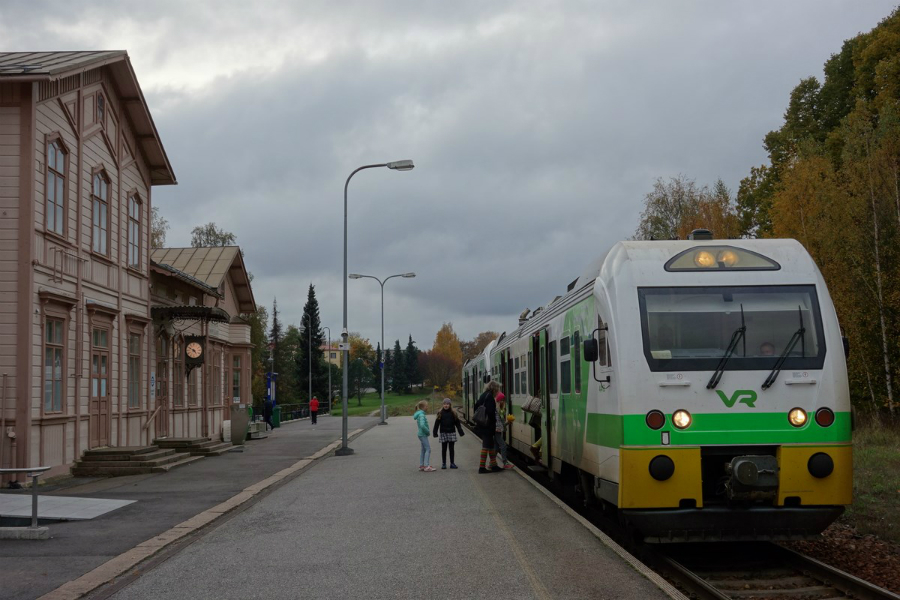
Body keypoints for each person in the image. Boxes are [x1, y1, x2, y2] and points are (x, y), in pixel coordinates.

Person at [474, 380, 502, 473]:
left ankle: (494, 465)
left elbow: (476, 406)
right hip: (487, 425)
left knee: (490, 445)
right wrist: (494, 424)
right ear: (495, 389)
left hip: (482, 424)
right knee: (486, 446)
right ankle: (481, 467)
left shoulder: (483, 395)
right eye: (498, 389)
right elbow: (490, 413)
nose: (498, 392)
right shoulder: (490, 397)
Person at [432, 398, 465, 469]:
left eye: (447, 404)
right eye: (444, 404)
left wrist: (460, 431)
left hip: (451, 432)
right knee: (444, 449)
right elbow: (436, 424)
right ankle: (444, 463)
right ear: (443, 405)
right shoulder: (440, 413)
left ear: (450, 405)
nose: (446, 405)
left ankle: (452, 463)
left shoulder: (453, 413)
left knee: (451, 449)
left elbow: (457, 423)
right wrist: (435, 432)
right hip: (443, 433)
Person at [413, 400, 435, 472]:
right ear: (423, 407)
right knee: (428, 449)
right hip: (423, 434)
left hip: (420, 434)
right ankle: (426, 466)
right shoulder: (422, 415)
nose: (427, 407)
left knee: (423, 450)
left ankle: (422, 465)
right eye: (426, 406)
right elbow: (422, 425)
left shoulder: (419, 414)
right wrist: (427, 431)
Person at [494, 393, 514, 469]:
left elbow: (501, 424)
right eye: (501, 400)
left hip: (498, 431)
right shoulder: (496, 410)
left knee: (496, 448)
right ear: (498, 401)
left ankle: (491, 463)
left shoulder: (501, 410)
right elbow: (497, 423)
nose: (503, 402)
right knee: (503, 445)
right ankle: (505, 463)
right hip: (496, 431)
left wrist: (508, 422)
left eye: (503, 400)